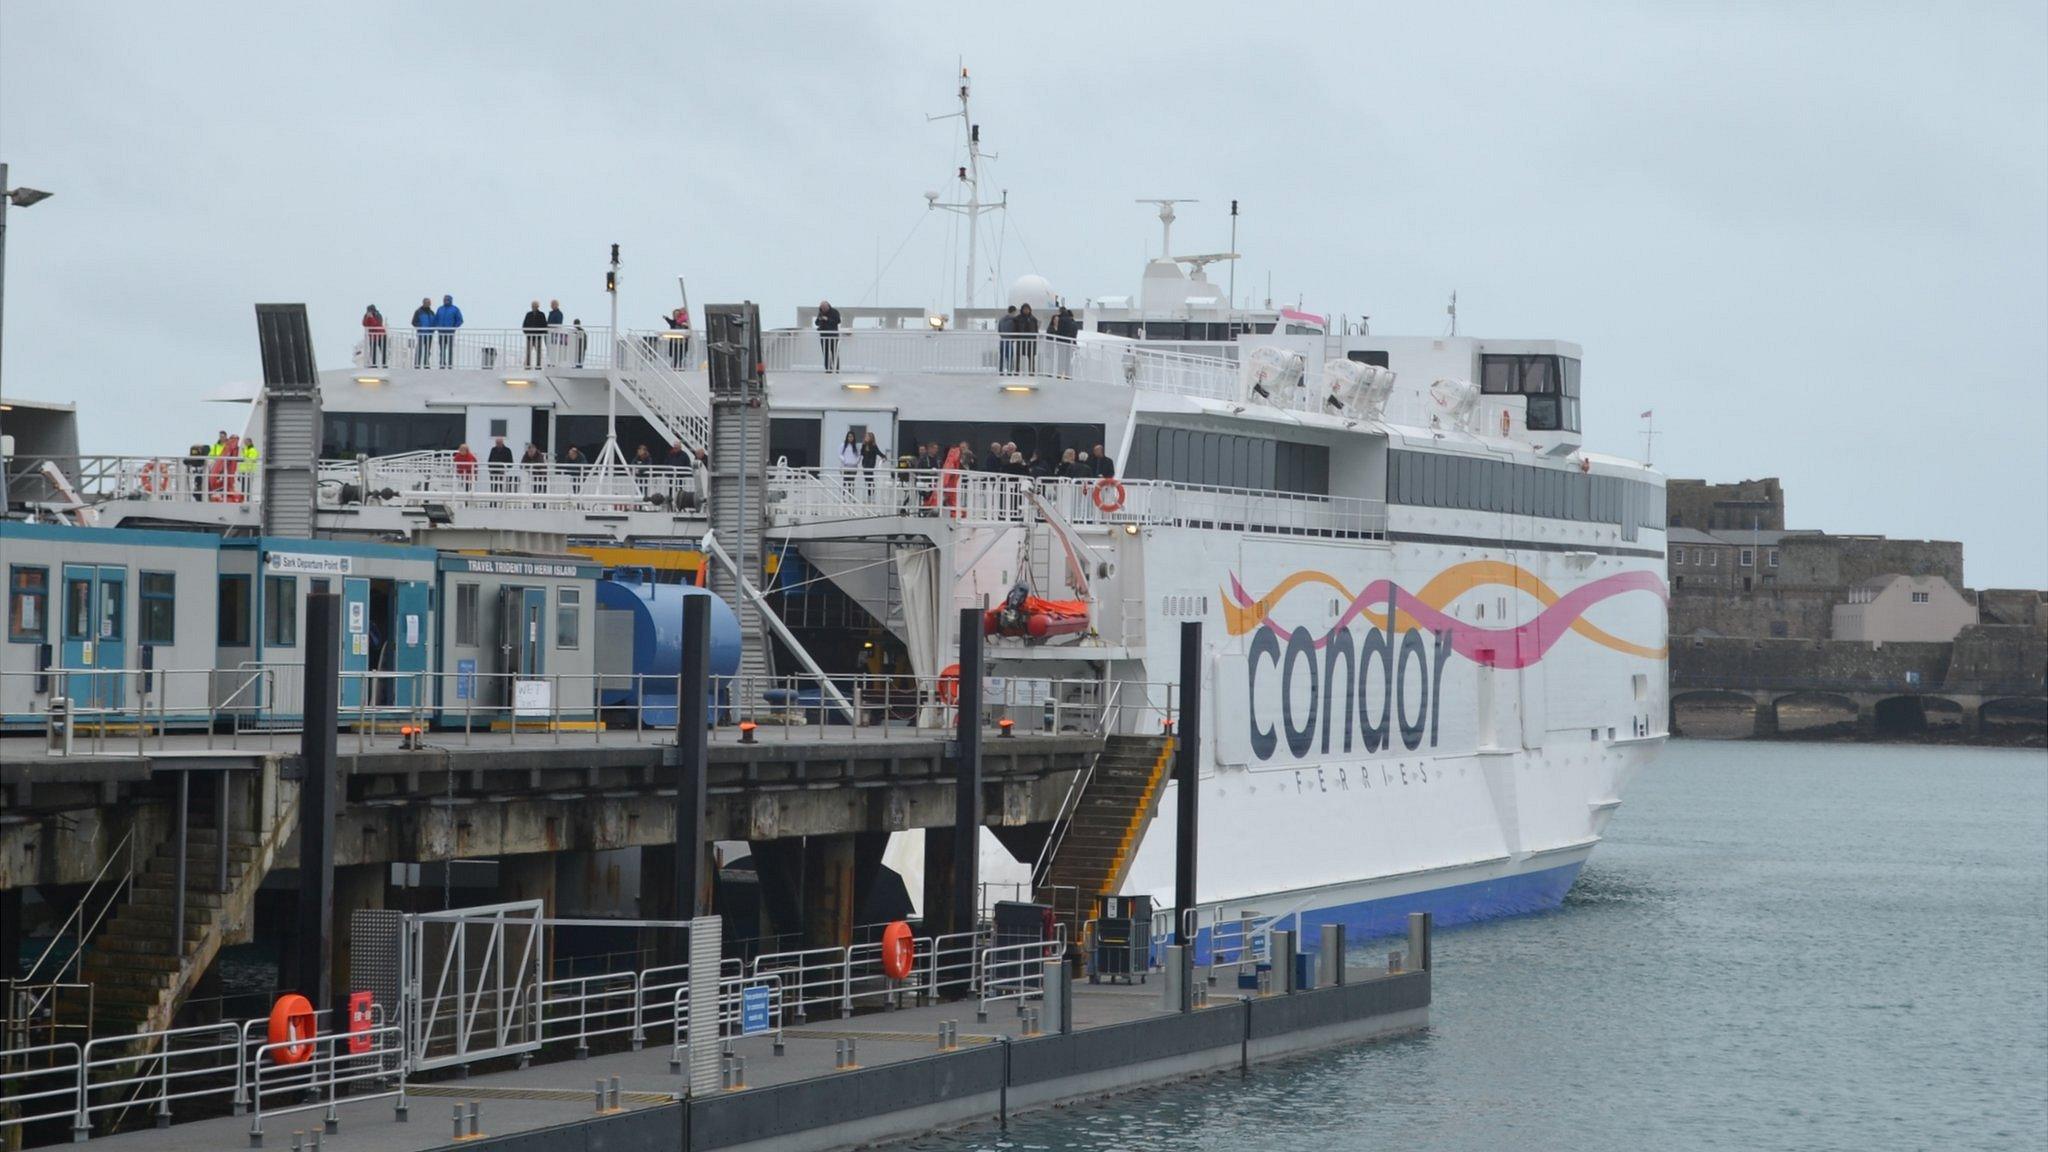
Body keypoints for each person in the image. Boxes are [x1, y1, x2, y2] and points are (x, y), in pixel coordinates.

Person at [434, 294, 463, 367]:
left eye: (447, 299)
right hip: (441, 332)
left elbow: (460, 320)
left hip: (450, 332)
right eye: (444, 299)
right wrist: (437, 327)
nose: (446, 301)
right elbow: (436, 319)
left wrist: (453, 328)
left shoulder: (455, 309)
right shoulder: (440, 309)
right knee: (442, 349)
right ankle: (442, 363)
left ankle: (450, 364)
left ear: (450, 300)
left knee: (450, 349)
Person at [815, 300, 841, 371]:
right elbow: (816, 323)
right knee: (825, 354)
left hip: (833, 336)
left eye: (824, 308)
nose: (823, 310)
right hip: (823, 337)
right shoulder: (820, 312)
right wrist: (820, 319)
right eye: (821, 308)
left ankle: (836, 369)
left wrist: (827, 319)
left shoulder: (834, 312)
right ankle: (828, 369)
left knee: (834, 353)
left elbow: (838, 321)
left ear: (828, 306)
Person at [1014, 303, 1040, 375]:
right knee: (1018, 357)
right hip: (1021, 341)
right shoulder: (1017, 318)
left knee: (1031, 357)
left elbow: (1035, 330)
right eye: (1024, 309)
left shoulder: (1033, 319)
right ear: (1022, 310)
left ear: (1030, 310)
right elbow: (1015, 329)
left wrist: (1035, 340)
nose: (1026, 310)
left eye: (1027, 309)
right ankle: (1017, 371)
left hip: (1031, 342)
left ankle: (1031, 372)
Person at [411, 297, 436, 368]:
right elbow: (414, 322)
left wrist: (432, 329)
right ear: (423, 303)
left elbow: (434, 322)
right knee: (419, 349)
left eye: (429, 302)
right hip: (421, 333)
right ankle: (417, 364)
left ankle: (426, 364)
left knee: (427, 350)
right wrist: (420, 327)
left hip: (429, 334)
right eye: (427, 302)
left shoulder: (432, 313)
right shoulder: (418, 312)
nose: (428, 304)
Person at [522, 300, 548, 369]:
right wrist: (526, 332)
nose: (533, 307)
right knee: (528, 352)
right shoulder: (528, 314)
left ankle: (538, 366)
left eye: (535, 306)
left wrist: (540, 333)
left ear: (537, 306)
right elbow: (524, 325)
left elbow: (544, 325)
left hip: (538, 337)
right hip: (529, 337)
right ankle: (527, 365)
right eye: (533, 306)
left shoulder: (541, 314)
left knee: (538, 352)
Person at [859, 431, 885, 495]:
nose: (866, 438)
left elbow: (878, 452)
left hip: (871, 464)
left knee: (870, 479)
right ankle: (869, 494)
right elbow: (861, 453)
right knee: (867, 480)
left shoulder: (873, 445)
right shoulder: (864, 445)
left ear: (871, 438)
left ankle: (871, 494)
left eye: (867, 437)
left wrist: (883, 457)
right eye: (866, 437)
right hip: (865, 464)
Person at [997, 305, 1017, 374]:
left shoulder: (1001, 319)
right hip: (1009, 340)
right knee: (1010, 357)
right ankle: (1009, 372)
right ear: (1014, 311)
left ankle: (1001, 371)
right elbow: (1015, 330)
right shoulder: (1014, 320)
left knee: (1002, 357)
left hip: (1002, 340)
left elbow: (999, 330)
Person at [240, 437, 260, 502]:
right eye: (245, 442)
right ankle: (243, 499)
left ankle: (247, 500)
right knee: (243, 487)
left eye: (246, 442)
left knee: (247, 486)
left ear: (250, 442)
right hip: (244, 471)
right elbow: (243, 460)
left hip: (249, 471)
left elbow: (250, 460)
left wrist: (243, 454)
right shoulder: (246, 450)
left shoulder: (253, 450)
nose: (245, 443)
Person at [546, 299, 565, 366]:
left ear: (556, 305)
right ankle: (550, 362)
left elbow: (558, 324)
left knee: (554, 349)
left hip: (555, 334)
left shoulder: (559, 314)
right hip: (549, 334)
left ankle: (553, 363)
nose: (551, 306)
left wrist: (551, 328)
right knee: (549, 349)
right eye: (551, 304)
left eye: (553, 304)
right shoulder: (551, 313)